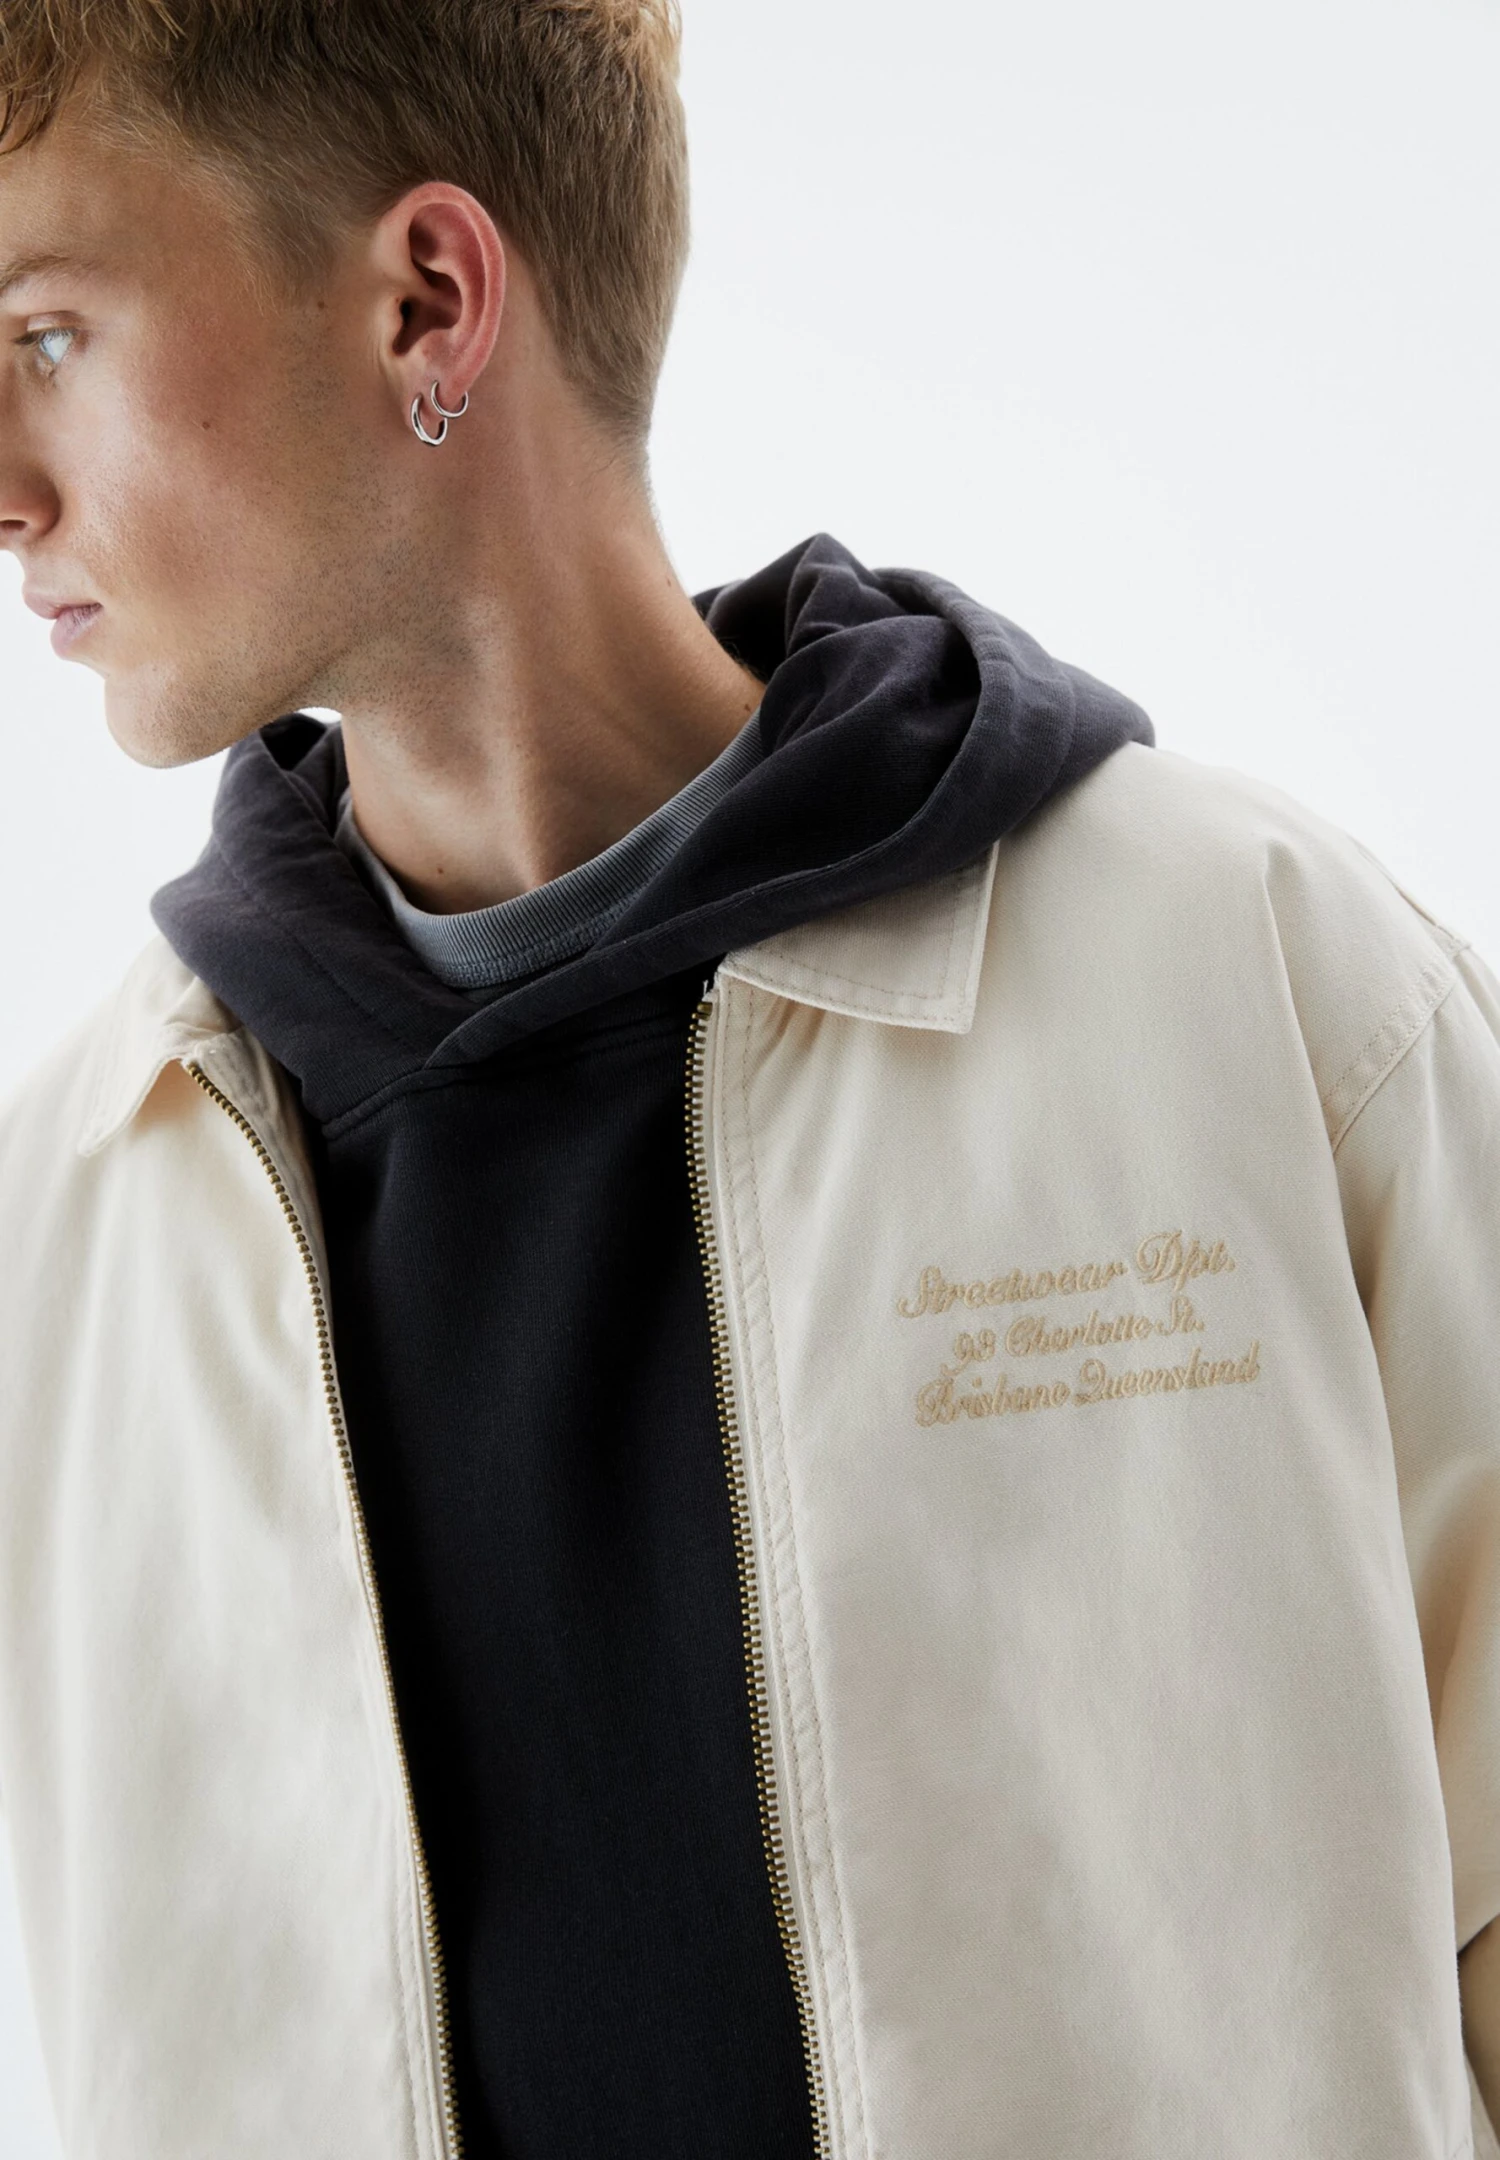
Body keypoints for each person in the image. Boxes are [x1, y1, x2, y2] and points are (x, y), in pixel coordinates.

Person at [0, 4, 1497, 2156]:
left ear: (428, 301)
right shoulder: (73, 1222)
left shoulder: (1256, 983)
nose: (5, 483)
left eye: (46, 336)